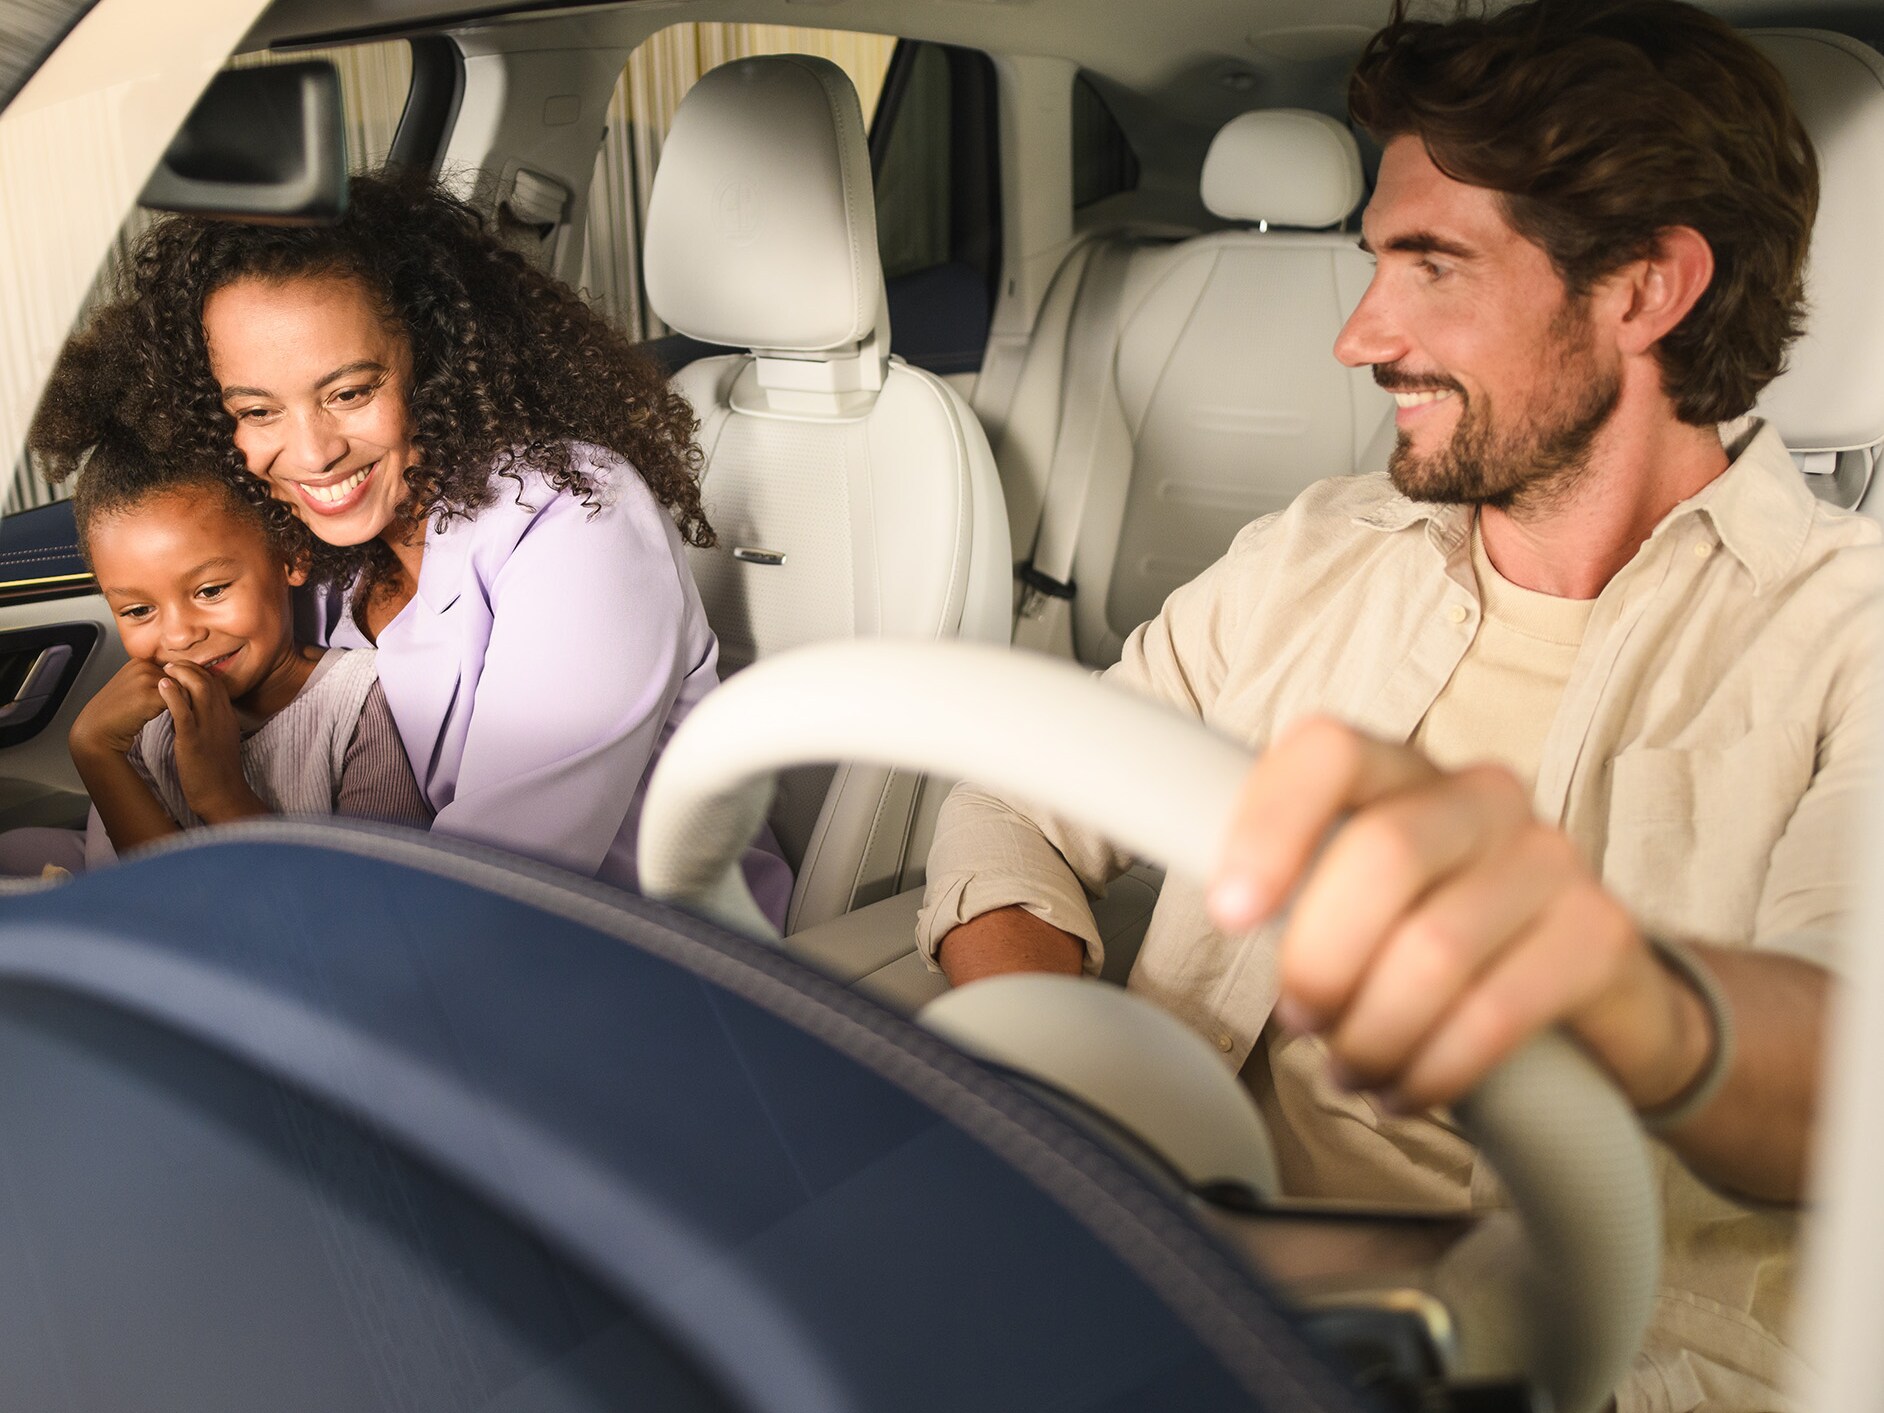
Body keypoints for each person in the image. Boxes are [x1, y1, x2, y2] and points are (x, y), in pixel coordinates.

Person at [918, 2, 1877, 1407]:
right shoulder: (1314, 550)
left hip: (1604, 1362)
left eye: (1431, 266)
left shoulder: (1847, 630)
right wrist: (1063, 1087)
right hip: (1165, 1275)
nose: (1360, 337)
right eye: (1377, 263)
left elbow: (1847, 1064)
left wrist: (1628, 994)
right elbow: (1015, 794)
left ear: (1644, 291)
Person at [32, 171, 793, 925]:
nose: (313, 453)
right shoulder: (311, 544)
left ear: (430, 359)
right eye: (258, 410)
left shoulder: (575, 523)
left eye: (350, 392)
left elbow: (483, 903)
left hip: (638, 970)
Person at [0, 427, 430, 875]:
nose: (180, 636)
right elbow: (155, 897)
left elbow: (364, 909)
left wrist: (221, 795)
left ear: (291, 556)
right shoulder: (145, 727)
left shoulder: (358, 705)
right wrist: (95, 751)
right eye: (139, 609)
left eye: (210, 591)